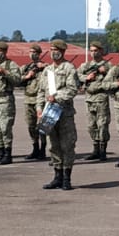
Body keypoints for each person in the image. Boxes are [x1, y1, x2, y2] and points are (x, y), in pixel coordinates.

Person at [39, 39, 82, 190]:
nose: (53, 52)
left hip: (64, 112)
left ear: (63, 51)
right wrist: (39, 109)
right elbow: (41, 91)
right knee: (54, 146)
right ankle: (57, 177)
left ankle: (66, 178)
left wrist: (56, 97)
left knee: (67, 145)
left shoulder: (69, 68)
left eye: (56, 49)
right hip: (49, 112)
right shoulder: (47, 70)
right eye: (51, 49)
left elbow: (72, 89)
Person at [79, 41, 114, 161]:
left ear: (101, 51)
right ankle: (95, 149)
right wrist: (86, 77)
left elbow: (114, 78)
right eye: (92, 50)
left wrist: (105, 72)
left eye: (96, 50)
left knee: (102, 125)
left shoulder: (108, 65)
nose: (93, 53)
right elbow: (76, 75)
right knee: (91, 125)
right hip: (89, 98)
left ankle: (103, 150)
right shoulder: (86, 65)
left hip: (101, 97)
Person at [19, 45, 47, 161]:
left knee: (42, 126)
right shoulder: (26, 67)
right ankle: (35, 147)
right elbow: (16, 80)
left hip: (40, 100)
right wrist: (27, 76)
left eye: (34, 52)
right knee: (31, 126)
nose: (32, 54)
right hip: (28, 99)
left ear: (39, 53)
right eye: (30, 52)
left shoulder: (45, 67)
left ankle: (43, 149)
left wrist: (43, 67)